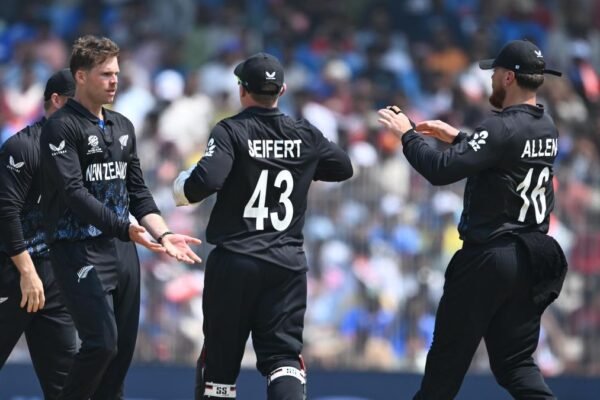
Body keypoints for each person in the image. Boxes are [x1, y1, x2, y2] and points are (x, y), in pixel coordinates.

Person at [378, 39, 568, 399]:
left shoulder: (499, 127)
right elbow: (506, 156)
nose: (491, 79)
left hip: (488, 258)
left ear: (509, 77)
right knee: (516, 364)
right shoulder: (546, 125)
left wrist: (406, 135)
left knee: (444, 369)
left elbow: (439, 170)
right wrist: (461, 139)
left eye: (495, 72)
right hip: (531, 258)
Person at [173, 52, 353, 400]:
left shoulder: (231, 130)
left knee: (221, 364)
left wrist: (181, 187)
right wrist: (301, 167)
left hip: (235, 261)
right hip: (286, 264)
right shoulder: (304, 133)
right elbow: (343, 167)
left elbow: (205, 181)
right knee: (283, 359)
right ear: (281, 90)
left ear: (242, 90)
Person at [39, 35, 201, 400]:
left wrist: (163, 234)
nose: (114, 81)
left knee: (121, 356)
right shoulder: (61, 127)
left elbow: (138, 192)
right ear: (81, 76)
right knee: (102, 344)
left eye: (116, 73)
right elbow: (74, 193)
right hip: (77, 249)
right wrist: (126, 228)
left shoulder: (122, 126)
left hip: (122, 251)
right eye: (105, 74)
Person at [0, 69, 77, 399]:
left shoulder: (81, 153)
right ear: (56, 101)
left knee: (68, 386)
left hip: (55, 281)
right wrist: (27, 272)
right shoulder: (22, 146)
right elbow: (6, 213)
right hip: (10, 272)